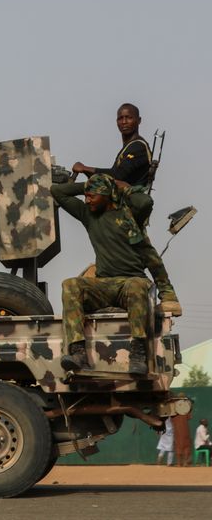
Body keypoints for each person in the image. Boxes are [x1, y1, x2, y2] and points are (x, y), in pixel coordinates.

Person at [71, 103, 181, 316]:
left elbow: (116, 176)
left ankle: (167, 294)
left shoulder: (138, 147)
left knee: (143, 248)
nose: (124, 122)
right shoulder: (128, 147)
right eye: (120, 118)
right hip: (120, 210)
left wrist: (86, 169)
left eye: (129, 118)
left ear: (139, 120)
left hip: (131, 209)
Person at [51, 174, 153, 374]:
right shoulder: (88, 214)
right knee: (71, 284)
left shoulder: (127, 215)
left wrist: (119, 186)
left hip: (129, 284)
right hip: (104, 285)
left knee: (137, 285)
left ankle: (138, 352)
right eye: (85, 196)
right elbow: (57, 191)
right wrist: (88, 186)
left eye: (92, 196)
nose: (86, 200)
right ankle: (78, 352)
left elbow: (146, 202)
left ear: (106, 195)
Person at [171, 401, 193, 467]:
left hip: (177, 431)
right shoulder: (185, 409)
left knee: (178, 446)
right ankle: (185, 462)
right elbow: (190, 417)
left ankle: (179, 463)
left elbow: (171, 419)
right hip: (185, 430)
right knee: (186, 446)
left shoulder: (173, 410)